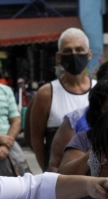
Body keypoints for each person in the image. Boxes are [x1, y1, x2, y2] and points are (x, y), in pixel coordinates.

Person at [27, 28, 95, 174]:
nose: (74, 55)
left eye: (79, 49)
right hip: (60, 178)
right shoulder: (47, 93)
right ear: (58, 57)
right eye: (68, 51)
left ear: (89, 54)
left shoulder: (99, 90)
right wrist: (48, 173)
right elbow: (37, 140)